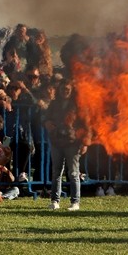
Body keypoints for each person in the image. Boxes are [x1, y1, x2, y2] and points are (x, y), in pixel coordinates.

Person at [44, 77, 89, 211]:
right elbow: (45, 117)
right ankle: (55, 200)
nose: (65, 91)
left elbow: (86, 125)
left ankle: (75, 202)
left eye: (67, 89)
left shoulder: (78, 105)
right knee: (56, 172)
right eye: (63, 88)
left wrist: (85, 142)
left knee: (74, 173)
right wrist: (46, 122)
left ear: (71, 90)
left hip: (73, 142)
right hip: (56, 141)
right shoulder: (54, 104)